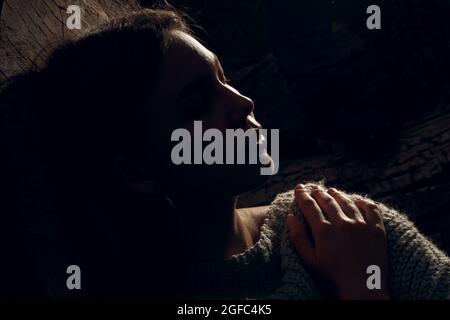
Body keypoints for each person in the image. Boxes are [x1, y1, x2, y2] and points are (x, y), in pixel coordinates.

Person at [0, 7, 449, 300]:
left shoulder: (334, 225)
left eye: (224, 77)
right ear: (136, 170)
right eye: (196, 104)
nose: (241, 102)